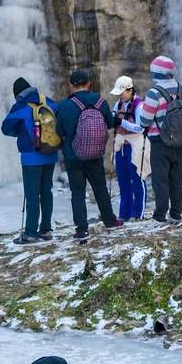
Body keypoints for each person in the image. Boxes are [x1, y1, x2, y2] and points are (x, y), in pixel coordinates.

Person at [56, 70, 121, 242]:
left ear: (71, 85)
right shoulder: (100, 101)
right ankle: (109, 220)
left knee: (77, 192)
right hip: (94, 154)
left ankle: (81, 229)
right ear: (88, 83)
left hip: (73, 155)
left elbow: (59, 131)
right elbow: (110, 123)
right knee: (99, 187)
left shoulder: (64, 105)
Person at [1, 78, 61, 245]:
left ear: (17, 94)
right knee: (46, 192)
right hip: (50, 154)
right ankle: (46, 229)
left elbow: (5, 128)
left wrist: (20, 132)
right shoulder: (48, 101)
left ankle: (30, 233)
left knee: (32, 195)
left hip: (30, 157)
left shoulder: (20, 107)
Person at [139, 54, 182, 227]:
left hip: (160, 142)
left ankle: (159, 216)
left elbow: (145, 120)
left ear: (156, 73)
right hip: (179, 140)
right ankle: (176, 215)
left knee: (160, 180)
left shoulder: (154, 93)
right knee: (177, 178)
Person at [109, 75, 148, 221]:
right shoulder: (118, 105)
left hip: (135, 146)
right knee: (123, 180)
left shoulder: (139, 105)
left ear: (130, 90)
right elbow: (113, 118)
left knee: (137, 179)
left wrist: (121, 122)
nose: (119, 96)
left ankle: (139, 213)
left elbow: (140, 128)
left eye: (121, 93)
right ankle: (124, 213)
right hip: (121, 147)